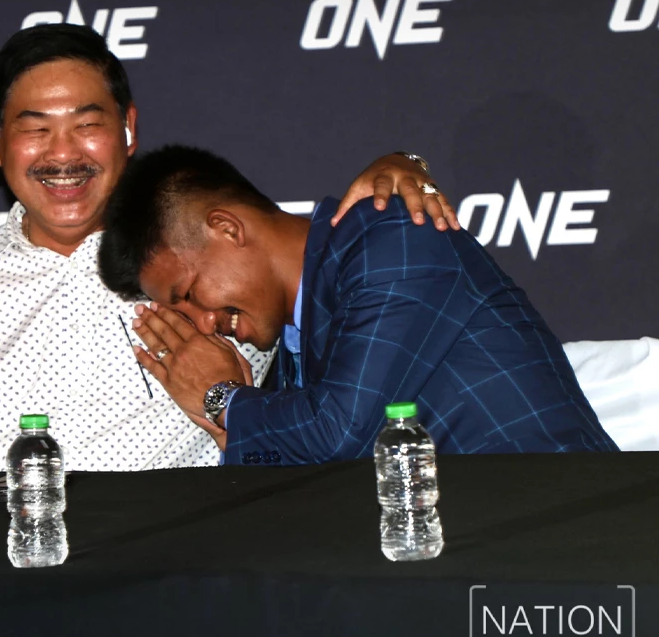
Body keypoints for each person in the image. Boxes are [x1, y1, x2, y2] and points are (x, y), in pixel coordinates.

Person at [0, 24, 458, 470]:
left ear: (128, 128)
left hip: (170, 563)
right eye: (35, 129)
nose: (62, 154)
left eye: (87, 125)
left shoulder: (198, 251)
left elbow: (310, 266)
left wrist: (402, 163)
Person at [99, 144, 618, 464]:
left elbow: (340, 431)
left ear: (227, 228)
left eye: (190, 295)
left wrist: (222, 398)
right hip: (459, 560)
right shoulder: (289, 365)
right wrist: (226, 425)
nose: (206, 324)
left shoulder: (390, 234)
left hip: (563, 530)